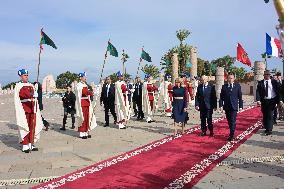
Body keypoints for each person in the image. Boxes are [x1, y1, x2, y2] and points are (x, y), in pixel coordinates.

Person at [14, 69, 43, 153]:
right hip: (24, 109)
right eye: (24, 75)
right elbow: (23, 93)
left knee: (32, 126)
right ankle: (25, 144)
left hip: (32, 108)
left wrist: (37, 88)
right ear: (21, 76)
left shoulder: (30, 84)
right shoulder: (18, 85)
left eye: (27, 75)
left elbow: (34, 95)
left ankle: (31, 143)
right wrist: (32, 94)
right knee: (25, 126)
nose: (26, 76)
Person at [256, 70, 283, 136]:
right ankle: (266, 127)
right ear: (264, 75)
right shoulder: (260, 83)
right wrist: (258, 100)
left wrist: (280, 100)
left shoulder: (274, 82)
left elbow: (278, 92)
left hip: (272, 100)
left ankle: (269, 129)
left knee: (270, 115)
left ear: (270, 75)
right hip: (264, 101)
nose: (267, 75)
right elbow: (258, 92)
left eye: (268, 74)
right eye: (266, 74)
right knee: (265, 114)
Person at [219, 73, 243, 141]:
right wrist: (221, 105)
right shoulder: (224, 86)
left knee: (233, 120)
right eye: (229, 78)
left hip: (234, 107)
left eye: (231, 78)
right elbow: (221, 97)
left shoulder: (237, 86)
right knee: (229, 121)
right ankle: (231, 131)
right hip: (227, 107)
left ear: (234, 79)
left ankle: (231, 134)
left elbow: (240, 97)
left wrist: (240, 106)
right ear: (227, 79)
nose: (230, 79)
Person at [75, 72, 97, 139]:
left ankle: (86, 132)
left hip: (87, 102)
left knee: (87, 118)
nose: (85, 78)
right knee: (83, 119)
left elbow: (87, 92)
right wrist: (91, 93)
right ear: (81, 78)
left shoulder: (85, 84)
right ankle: (82, 133)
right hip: (82, 103)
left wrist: (91, 92)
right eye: (84, 77)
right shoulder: (79, 85)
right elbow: (84, 92)